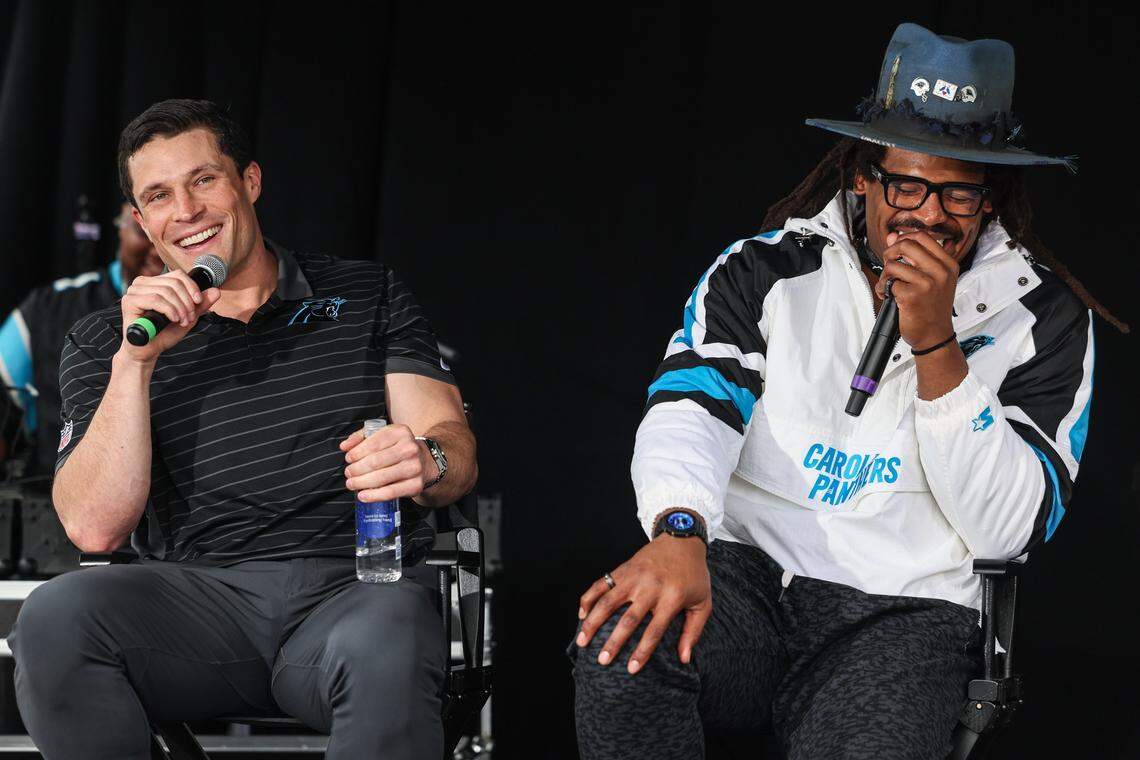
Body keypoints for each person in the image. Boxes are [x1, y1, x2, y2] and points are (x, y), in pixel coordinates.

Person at [571, 23, 1121, 760]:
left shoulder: (1045, 317)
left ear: (991, 201)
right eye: (906, 184)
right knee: (622, 646)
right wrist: (677, 530)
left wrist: (937, 346)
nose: (928, 214)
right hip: (747, 579)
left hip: (905, 613)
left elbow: (1008, 532)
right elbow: (691, 408)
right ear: (862, 175)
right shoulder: (765, 271)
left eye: (958, 194)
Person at [8, 99, 477, 760]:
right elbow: (93, 528)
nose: (189, 211)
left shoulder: (370, 292)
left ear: (249, 182)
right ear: (142, 221)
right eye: (160, 195)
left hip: (351, 594)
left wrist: (427, 460)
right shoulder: (107, 338)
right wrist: (136, 363)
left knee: (394, 629)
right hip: (192, 604)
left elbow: (449, 442)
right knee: (56, 618)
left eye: (205, 180)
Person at [0, 206, 162, 478]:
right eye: (144, 231)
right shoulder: (49, 309)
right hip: (59, 509)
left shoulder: (223, 308)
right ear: (121, 227)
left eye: (171, 233)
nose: (158, 249)